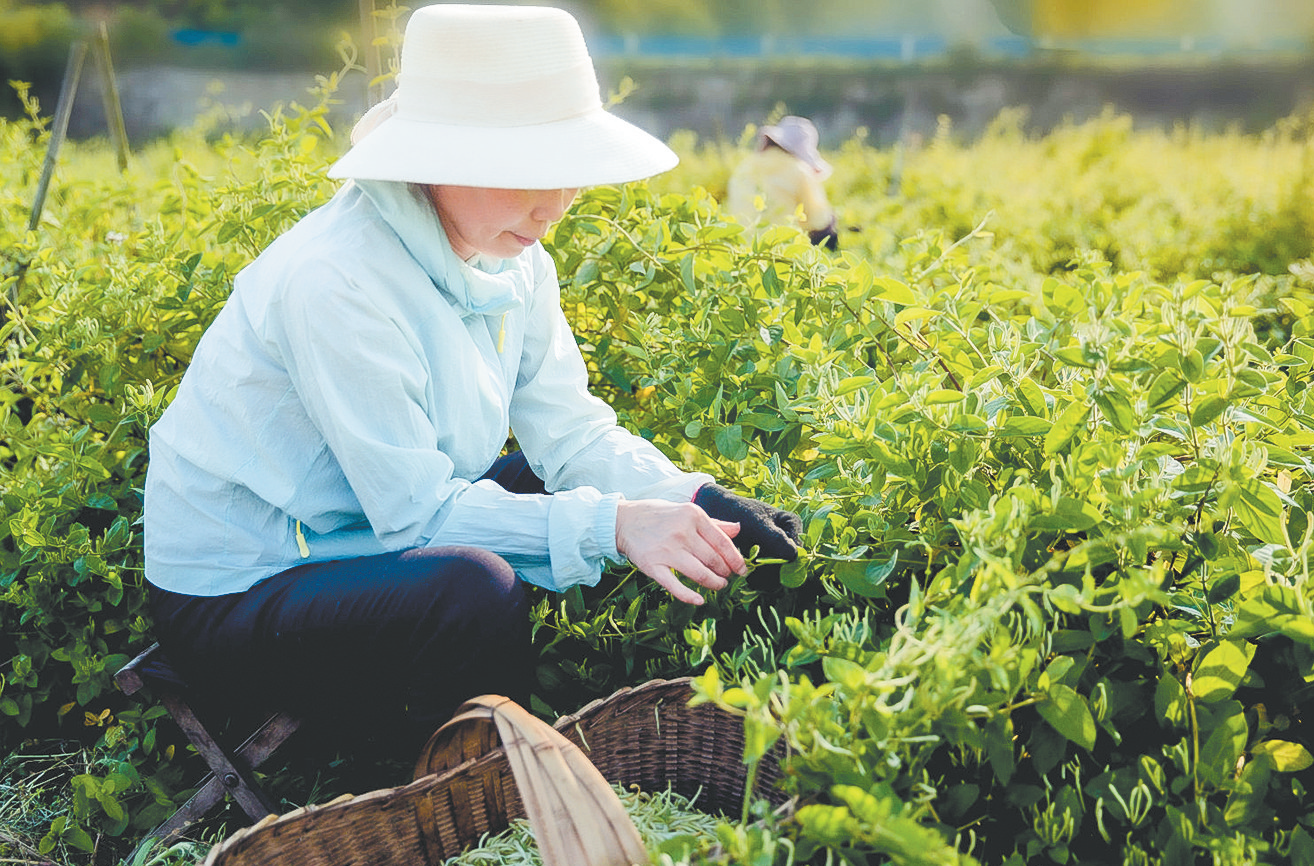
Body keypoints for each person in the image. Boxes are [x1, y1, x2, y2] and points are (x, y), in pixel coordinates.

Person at [140, 3, 802, 758]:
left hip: (353, 528)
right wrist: (616, 524)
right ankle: (472, 794)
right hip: (244, 587)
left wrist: (690, 496)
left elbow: (571, 431)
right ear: (439, 157)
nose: (553, 210)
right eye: (530, 177)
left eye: (570, 180)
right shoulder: (336, 279)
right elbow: (416, 518)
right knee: (473, 589)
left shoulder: (513, 256)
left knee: (551, 490)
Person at [725, 116, 839, 249]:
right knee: (827, 234)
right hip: (780, 251)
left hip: (741, 248)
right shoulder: (798, 170)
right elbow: (819, 220)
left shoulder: (745, 166)